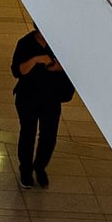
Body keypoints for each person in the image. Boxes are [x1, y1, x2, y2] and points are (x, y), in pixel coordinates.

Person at [10, 25, 73, 189]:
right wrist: (37, 59)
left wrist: (60, 67)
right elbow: (18, 71)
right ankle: (26, 169)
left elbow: (73, 67)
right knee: (28, 133)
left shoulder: (59, 44)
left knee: (49, 136)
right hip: (28, 97)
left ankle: (40, 167)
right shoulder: (25, 43)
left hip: (52, 99)